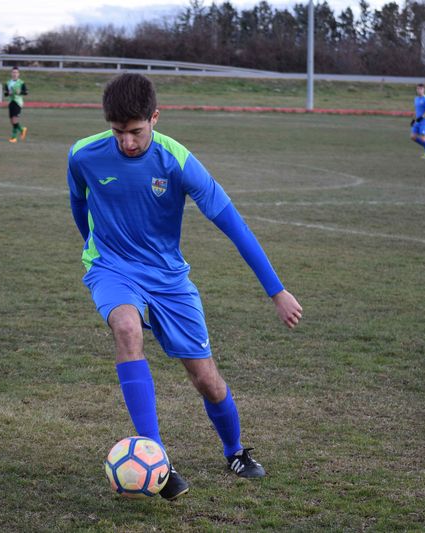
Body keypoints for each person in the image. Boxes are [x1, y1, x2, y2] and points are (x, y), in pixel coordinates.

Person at [67, 73, 303, 500]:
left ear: (155, 118)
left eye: (136, 131)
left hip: (169, 278)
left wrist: (277, 290)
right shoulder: (83, 154)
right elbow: (78, 202)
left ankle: (234, 450)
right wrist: (93, 248)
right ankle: (158, 459)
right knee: (127, 328)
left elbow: (234, 226)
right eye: (118, 132)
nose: (127, 143)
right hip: (111, 268)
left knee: (206, 379)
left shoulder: (177, 160)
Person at [3, 66, 28, 143]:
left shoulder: (21, 83)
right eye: (13, 72)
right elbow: (5, 93)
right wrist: (8, 93)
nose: (15, 74)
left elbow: (26, 92)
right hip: (11, 102)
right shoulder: (8, 83)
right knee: (11, 120)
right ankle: (22, 129)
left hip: (18, 102)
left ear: (18, 74)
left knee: (14, 119)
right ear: (11, 73)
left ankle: (13, 138)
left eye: (16, 72)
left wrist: (19, 92)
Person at [410, 83, 425, 159]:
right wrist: (413, 119)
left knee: (423, 137)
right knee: (413, 137)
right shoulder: (416, 99)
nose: (419, 90)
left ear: (424, 90)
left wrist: (421, 117)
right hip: (417, 121)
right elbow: (416, 110)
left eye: (421, 89)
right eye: (418, 89)